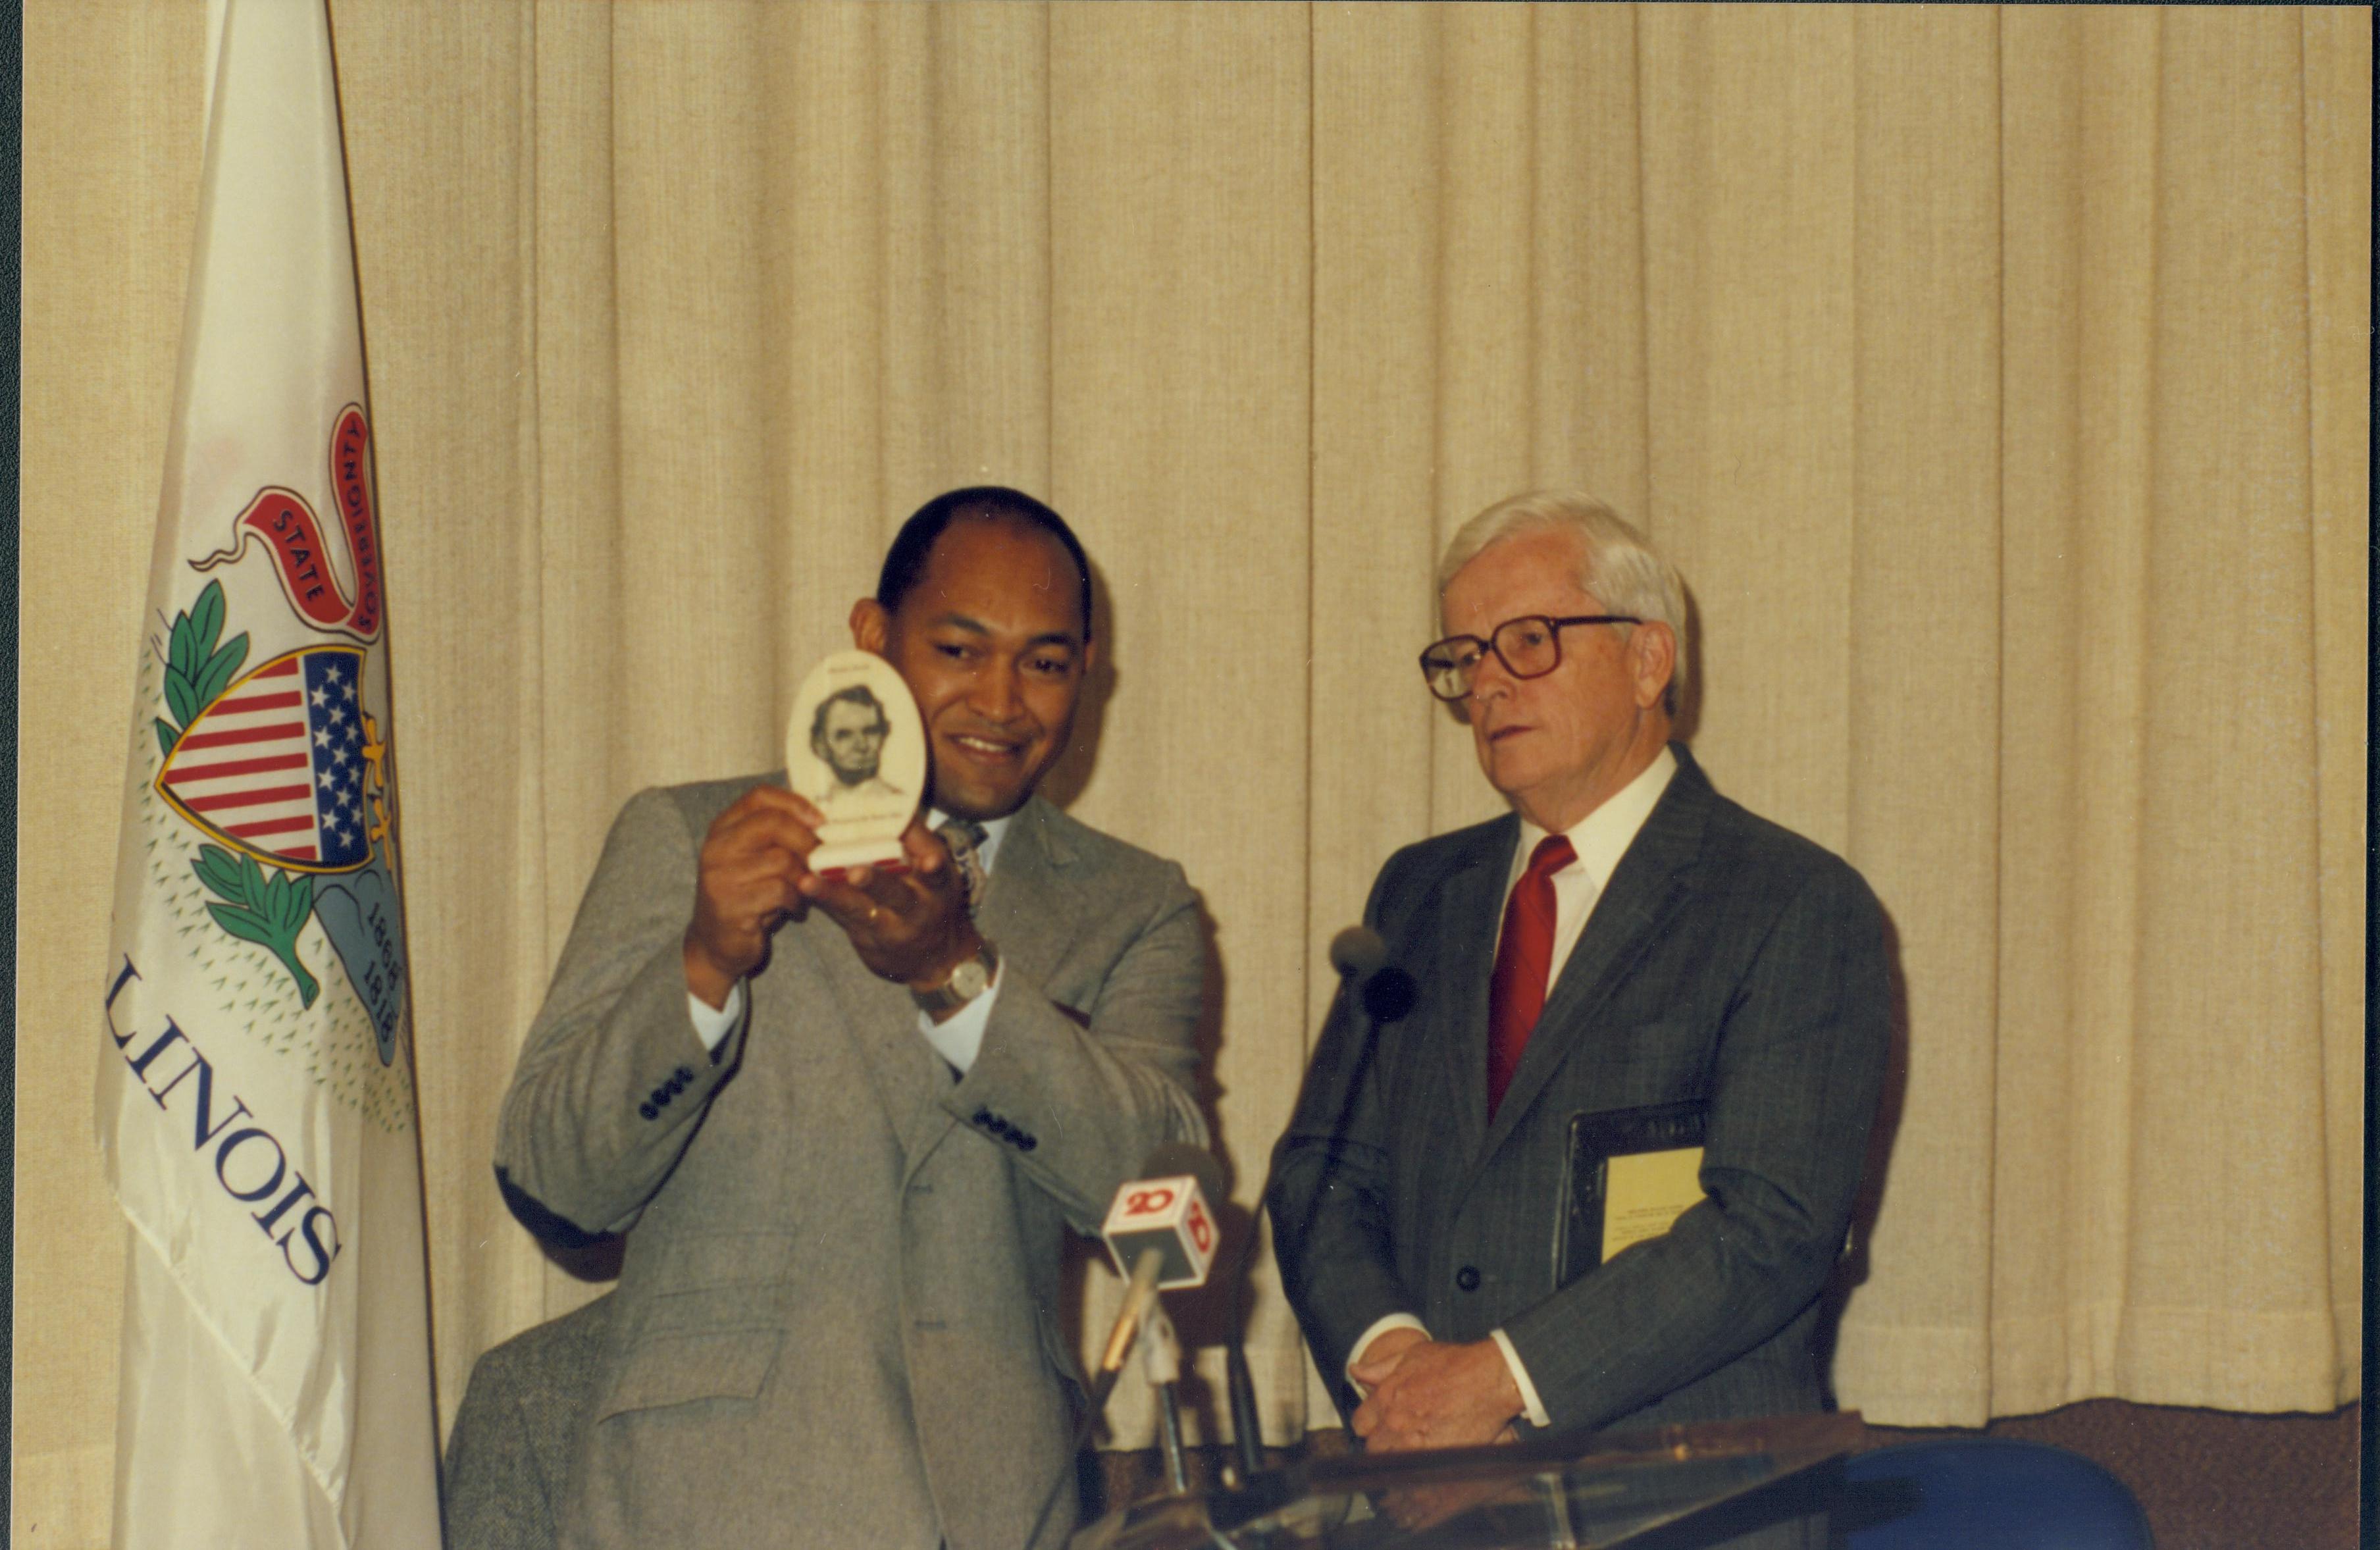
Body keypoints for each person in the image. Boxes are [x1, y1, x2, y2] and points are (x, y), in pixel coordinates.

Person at [492, 486, 1208, 1550]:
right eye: (960, 650)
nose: (1004, 703)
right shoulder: (691, 835)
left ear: (1087, 673)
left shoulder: (1136, 904)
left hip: (1000, 1509)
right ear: (872, 638)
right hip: (712, 1497)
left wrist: (958, 980)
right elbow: (554, 1184)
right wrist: (702, 963)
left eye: (1046, 663)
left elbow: (1166, 1213)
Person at [1267, 490, 1889, 1549]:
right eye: (1467, 656)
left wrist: (1498, 1382)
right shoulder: (1417, 894)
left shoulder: (1791, 901)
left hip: (1683, 1510)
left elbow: (1772, 1228)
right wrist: (1404, 1373)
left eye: (1528, 641)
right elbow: (1322, 1171)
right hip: (1436, 1509)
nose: (1490, 683)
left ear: (1650, 661)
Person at [806, 685, 905, 808]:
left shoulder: (901, 803)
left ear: (883, 735)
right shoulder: (815, 806)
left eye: (870, 732)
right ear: (821, 745)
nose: (862, 746)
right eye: (844, 735)